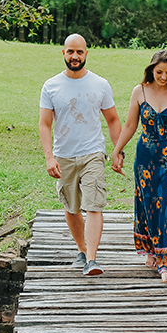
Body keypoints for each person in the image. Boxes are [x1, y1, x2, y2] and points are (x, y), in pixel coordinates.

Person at [111, 49, 167, 284]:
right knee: (149, 203)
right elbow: (131, 124)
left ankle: (165, 263)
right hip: (146, 158)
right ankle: (151, 250)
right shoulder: (139, 91)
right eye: (159, 71)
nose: (163, 77)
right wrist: (117, 150)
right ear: (151, 69)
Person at [39, 33, 121, 276]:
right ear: (63, 53)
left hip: (93, 153)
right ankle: (83, 250)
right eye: (70, 51)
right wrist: (49, 157)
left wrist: (117, 152)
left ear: (87, 54)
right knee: (72, 208)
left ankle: (92, 260)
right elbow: (45, 124)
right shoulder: (50, 86)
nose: (75, 56)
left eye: (80, 52)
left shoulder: (100, 84)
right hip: (63, 155)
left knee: (94, 205)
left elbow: (113, 119)